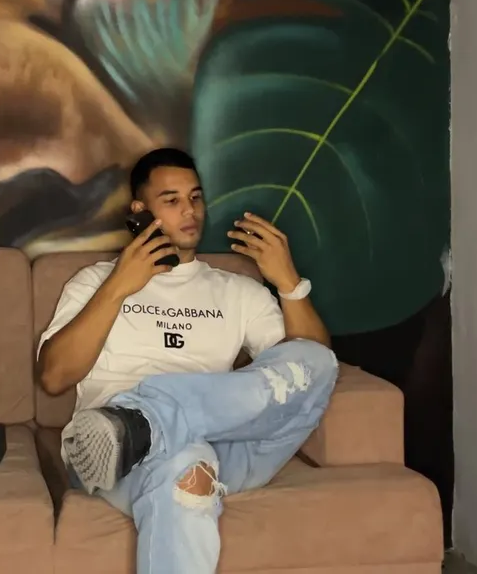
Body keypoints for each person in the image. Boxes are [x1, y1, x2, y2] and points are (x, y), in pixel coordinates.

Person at [36, 147, 339, 574]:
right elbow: (54, 377)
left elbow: (307, 367)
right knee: (187, 468)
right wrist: (119, 286)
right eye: (172, 200)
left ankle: (145, 421)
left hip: (227, 443)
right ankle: (141, 430)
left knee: (320, 362)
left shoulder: (238, 291)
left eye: (195, 197)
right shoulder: (94, 282)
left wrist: (289, 282)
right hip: (116, 456)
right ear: (140, 211)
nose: (189, 210)